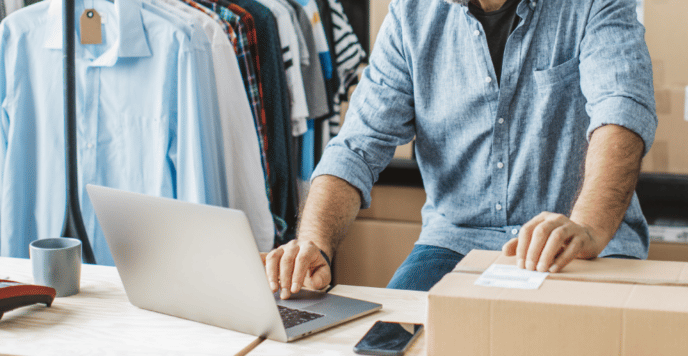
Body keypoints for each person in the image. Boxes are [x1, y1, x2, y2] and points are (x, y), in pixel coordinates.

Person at [265, 0, 656, 299]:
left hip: (579, 242)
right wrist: (314, 244)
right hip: (455, 243)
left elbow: (620, 113)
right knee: (387, 343)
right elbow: (356, 147)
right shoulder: (411, 14)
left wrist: (588, 226)